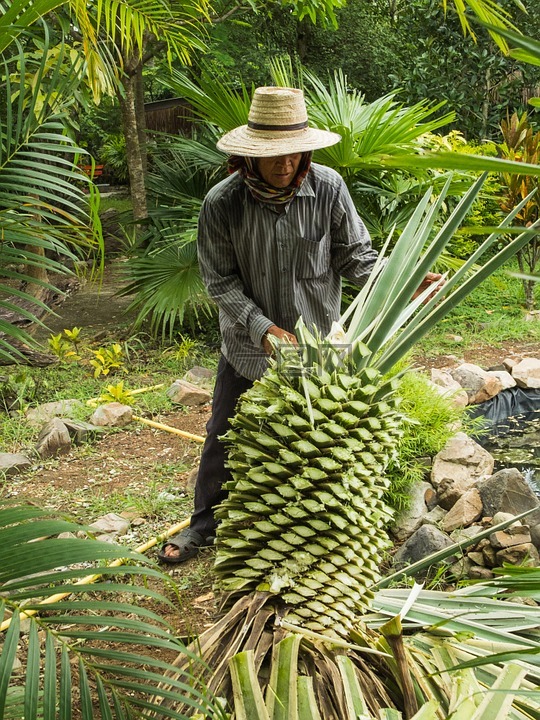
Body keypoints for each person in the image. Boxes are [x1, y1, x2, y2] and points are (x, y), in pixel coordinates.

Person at [158, 86, 440, 563]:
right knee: (223, 436)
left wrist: (403, 280)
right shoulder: (221, 204)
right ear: (250, 155)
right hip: (249, 348)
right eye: (273, 154)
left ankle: (313, 534)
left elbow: (356, 258)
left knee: (317, 442)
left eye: (292, 151)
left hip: (318, 348)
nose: (285, 162)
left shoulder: (328, 188)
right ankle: (202, 527)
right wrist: (263, 328)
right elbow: (220, 282)